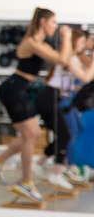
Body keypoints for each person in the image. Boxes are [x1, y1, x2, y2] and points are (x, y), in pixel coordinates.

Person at [0, 7, 72, 202]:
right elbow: (62, 59)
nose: (55, 27)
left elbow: (62, 61)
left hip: (19, 89)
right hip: (12, 88)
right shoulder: (32, 42)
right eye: (53, 23)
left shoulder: (40, 43)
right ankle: (25, 182)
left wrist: (66, 41)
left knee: (34, 133)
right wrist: (67, 38)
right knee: (31, 134)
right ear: (42, 22)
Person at [33, 27, 94, 185]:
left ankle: (46, 164)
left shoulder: (72, 58)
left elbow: (72, 81)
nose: (83, 46)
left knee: (68, 133)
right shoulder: (69, 59)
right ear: (74, 42)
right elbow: (86, 78)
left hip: (58, 99)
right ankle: (59, 170)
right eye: (81, 42)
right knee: (66, 135)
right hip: (49, 99)